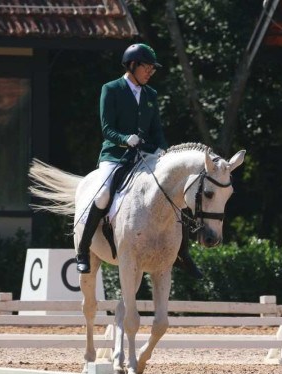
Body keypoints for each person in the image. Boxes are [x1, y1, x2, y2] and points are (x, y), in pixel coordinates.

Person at [76, 43, 202, 279]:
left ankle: (182, 253)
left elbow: (157, 131)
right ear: (132, 65)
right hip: (115, 155)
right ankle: (83, 250)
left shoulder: (151, 95)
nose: (150, 72)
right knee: (103, 194)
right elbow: (107, 129)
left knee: (174, 195)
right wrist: (125, 139)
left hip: (145, 157)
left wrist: (164, 152)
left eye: (152, 69)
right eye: (147, 67)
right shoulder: (111, 89)